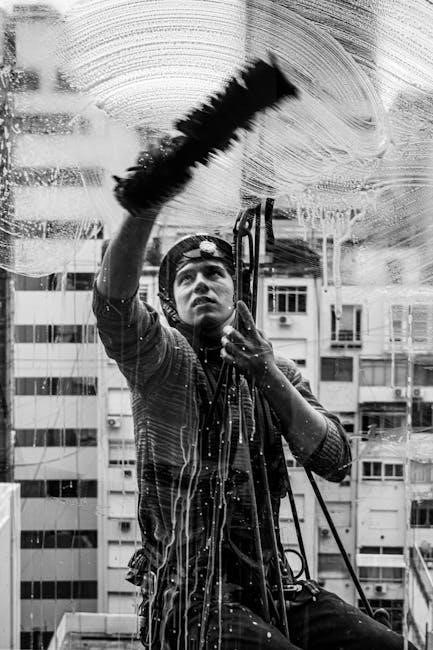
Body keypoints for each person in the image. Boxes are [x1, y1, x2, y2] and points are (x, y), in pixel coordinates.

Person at [93, 162, 417, 650]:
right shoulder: (161, 361)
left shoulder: (274, 369)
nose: (201, 284)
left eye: (214, 274)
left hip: (272, 586)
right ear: (171, 304)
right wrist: (145, 207)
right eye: (186, 278)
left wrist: (266, 375)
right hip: (188, 598)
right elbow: (113, 307)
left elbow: (335, 459)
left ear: (238, 293)